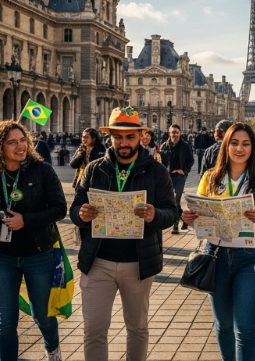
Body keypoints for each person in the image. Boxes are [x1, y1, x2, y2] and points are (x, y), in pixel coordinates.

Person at [70, 107, 178, 361]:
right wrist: (81, 214)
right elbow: (75, 206)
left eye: (130, 137)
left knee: (137, 328)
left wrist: (155, 216)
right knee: (94, 329)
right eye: (118, 137)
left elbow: (171, 212)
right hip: (98, 262)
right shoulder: (94, 169)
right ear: (110, 137)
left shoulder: (156, 171)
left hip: (138, 263)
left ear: (141, 136)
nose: (124, 143)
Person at [0, 121, 67, 361]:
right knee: (6, 320)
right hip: (3, 257)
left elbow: (60, 209)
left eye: (22, 140)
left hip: (38, 254)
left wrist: (25, 220)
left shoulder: (42, 170)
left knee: (42, 315)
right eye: (12, 142)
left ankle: (53, 349)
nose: (20, 146)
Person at [181, 123, 255, 361]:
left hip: (251, 257)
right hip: (216, 254)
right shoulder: (210, 177)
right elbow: (198, 220)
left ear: (253, 148)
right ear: (226, 146)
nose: (239, 148)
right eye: (234, 143)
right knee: (223, 324)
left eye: (246, 144)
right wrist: (189, 217)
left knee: (244, 328)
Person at [160, 124, 194, 234]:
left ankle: (175, 225)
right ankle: (183, 218)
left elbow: (191, 160)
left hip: (179, 177)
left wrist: (184, 171)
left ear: (179, 133)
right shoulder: (164, 146)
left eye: (176, 132)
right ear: (169, 133)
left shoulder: (185, 146)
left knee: (176, 200)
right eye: (173, 132)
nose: (175, 134)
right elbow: (160, 163)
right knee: (170, 200)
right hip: (168, 177)